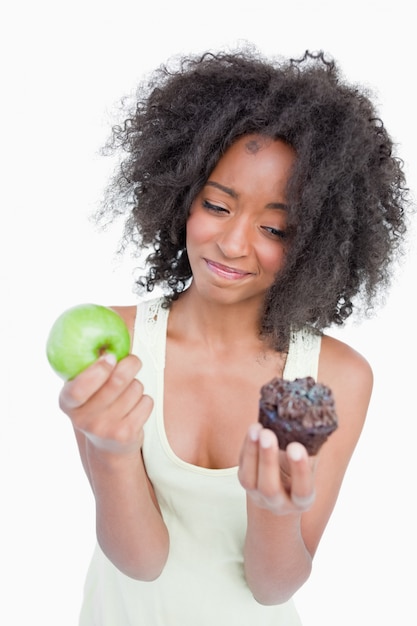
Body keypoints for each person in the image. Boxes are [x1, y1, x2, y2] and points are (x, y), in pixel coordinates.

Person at [59, 47, 410, 625]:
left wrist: (273, 510)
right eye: (217, 205)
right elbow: (141, 563)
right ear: (181, 196)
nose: (232, 243)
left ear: (316, 242)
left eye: (274, 227)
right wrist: (111, 454)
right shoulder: (115, 342)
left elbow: (272, 589)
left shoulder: (337, 377)